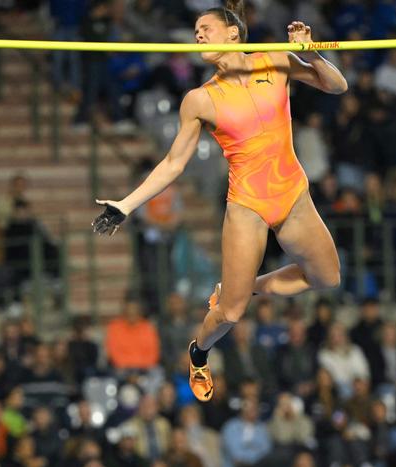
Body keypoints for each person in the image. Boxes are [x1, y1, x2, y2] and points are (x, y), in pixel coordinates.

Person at [92, 1, 347, 402]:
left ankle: (247, 287)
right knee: (229, 314)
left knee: (327, 278)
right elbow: (174, 163)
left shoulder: (274, 60)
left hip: (292, 194)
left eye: (205, 28)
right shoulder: (200, 99)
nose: (198, 36)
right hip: (247, 204)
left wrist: (313, 55)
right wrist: (126, 204)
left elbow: (336, 86)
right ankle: (199, 351)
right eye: (195, 31)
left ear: (233, 33)